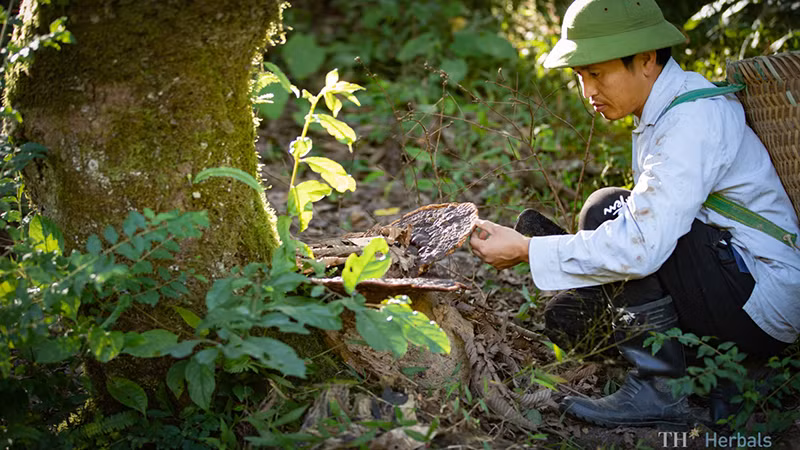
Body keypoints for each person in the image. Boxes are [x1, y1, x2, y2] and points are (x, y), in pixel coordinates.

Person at [469, 0, 800, 428]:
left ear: (645, 60)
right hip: (735, 284)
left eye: (597, 74)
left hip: (760, 302)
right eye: (580, 77)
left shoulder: (692, 119)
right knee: (611, 213)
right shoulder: (664, 110)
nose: (588, 91)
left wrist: (530, 250)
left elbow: (642, 245)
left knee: (608, 209)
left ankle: (661, 389)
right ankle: (710, 374)